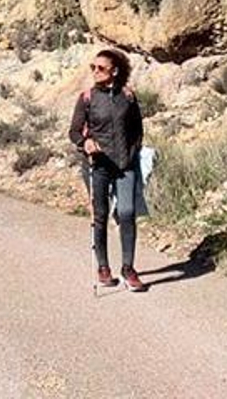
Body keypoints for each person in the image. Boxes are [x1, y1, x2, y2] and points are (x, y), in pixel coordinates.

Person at [71, 47, 148, 293]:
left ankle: (128, 268)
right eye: (92, 67)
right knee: (100, 216)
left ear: (114, 71)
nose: (95, 71)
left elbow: (137, 129)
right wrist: (86, 143)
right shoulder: (87, 98)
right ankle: (103, 267)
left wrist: (133, 153)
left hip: (126, 164)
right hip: (98, 165)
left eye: (100, 68)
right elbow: (74, 131)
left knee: (127, 212)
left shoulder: (128, 97)